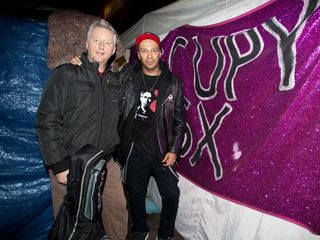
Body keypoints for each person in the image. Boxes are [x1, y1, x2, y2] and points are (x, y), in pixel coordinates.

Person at [35, 19, 128, 240]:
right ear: (87, 43)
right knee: (71, 224)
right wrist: (59, 165)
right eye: (96, 40)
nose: (101, 46)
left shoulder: (116, 82)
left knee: (117, 213)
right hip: (71, 164)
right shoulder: (67, 73)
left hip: (106, 162)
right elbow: (46, 119)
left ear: (114, 49)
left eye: (107, 42)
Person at [117, 32, 185, 240]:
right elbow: (102, 81)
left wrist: (174, 150)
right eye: (144, 51)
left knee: (172, 196)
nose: (149, 55)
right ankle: (140, 230)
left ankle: (165, 234)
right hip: (134, 150)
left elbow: (179, 120)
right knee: (136, 196)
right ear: (138, 54)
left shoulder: (172, 83)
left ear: (160, 53)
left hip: (162, 152)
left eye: (153, 50)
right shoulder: (127, 77)